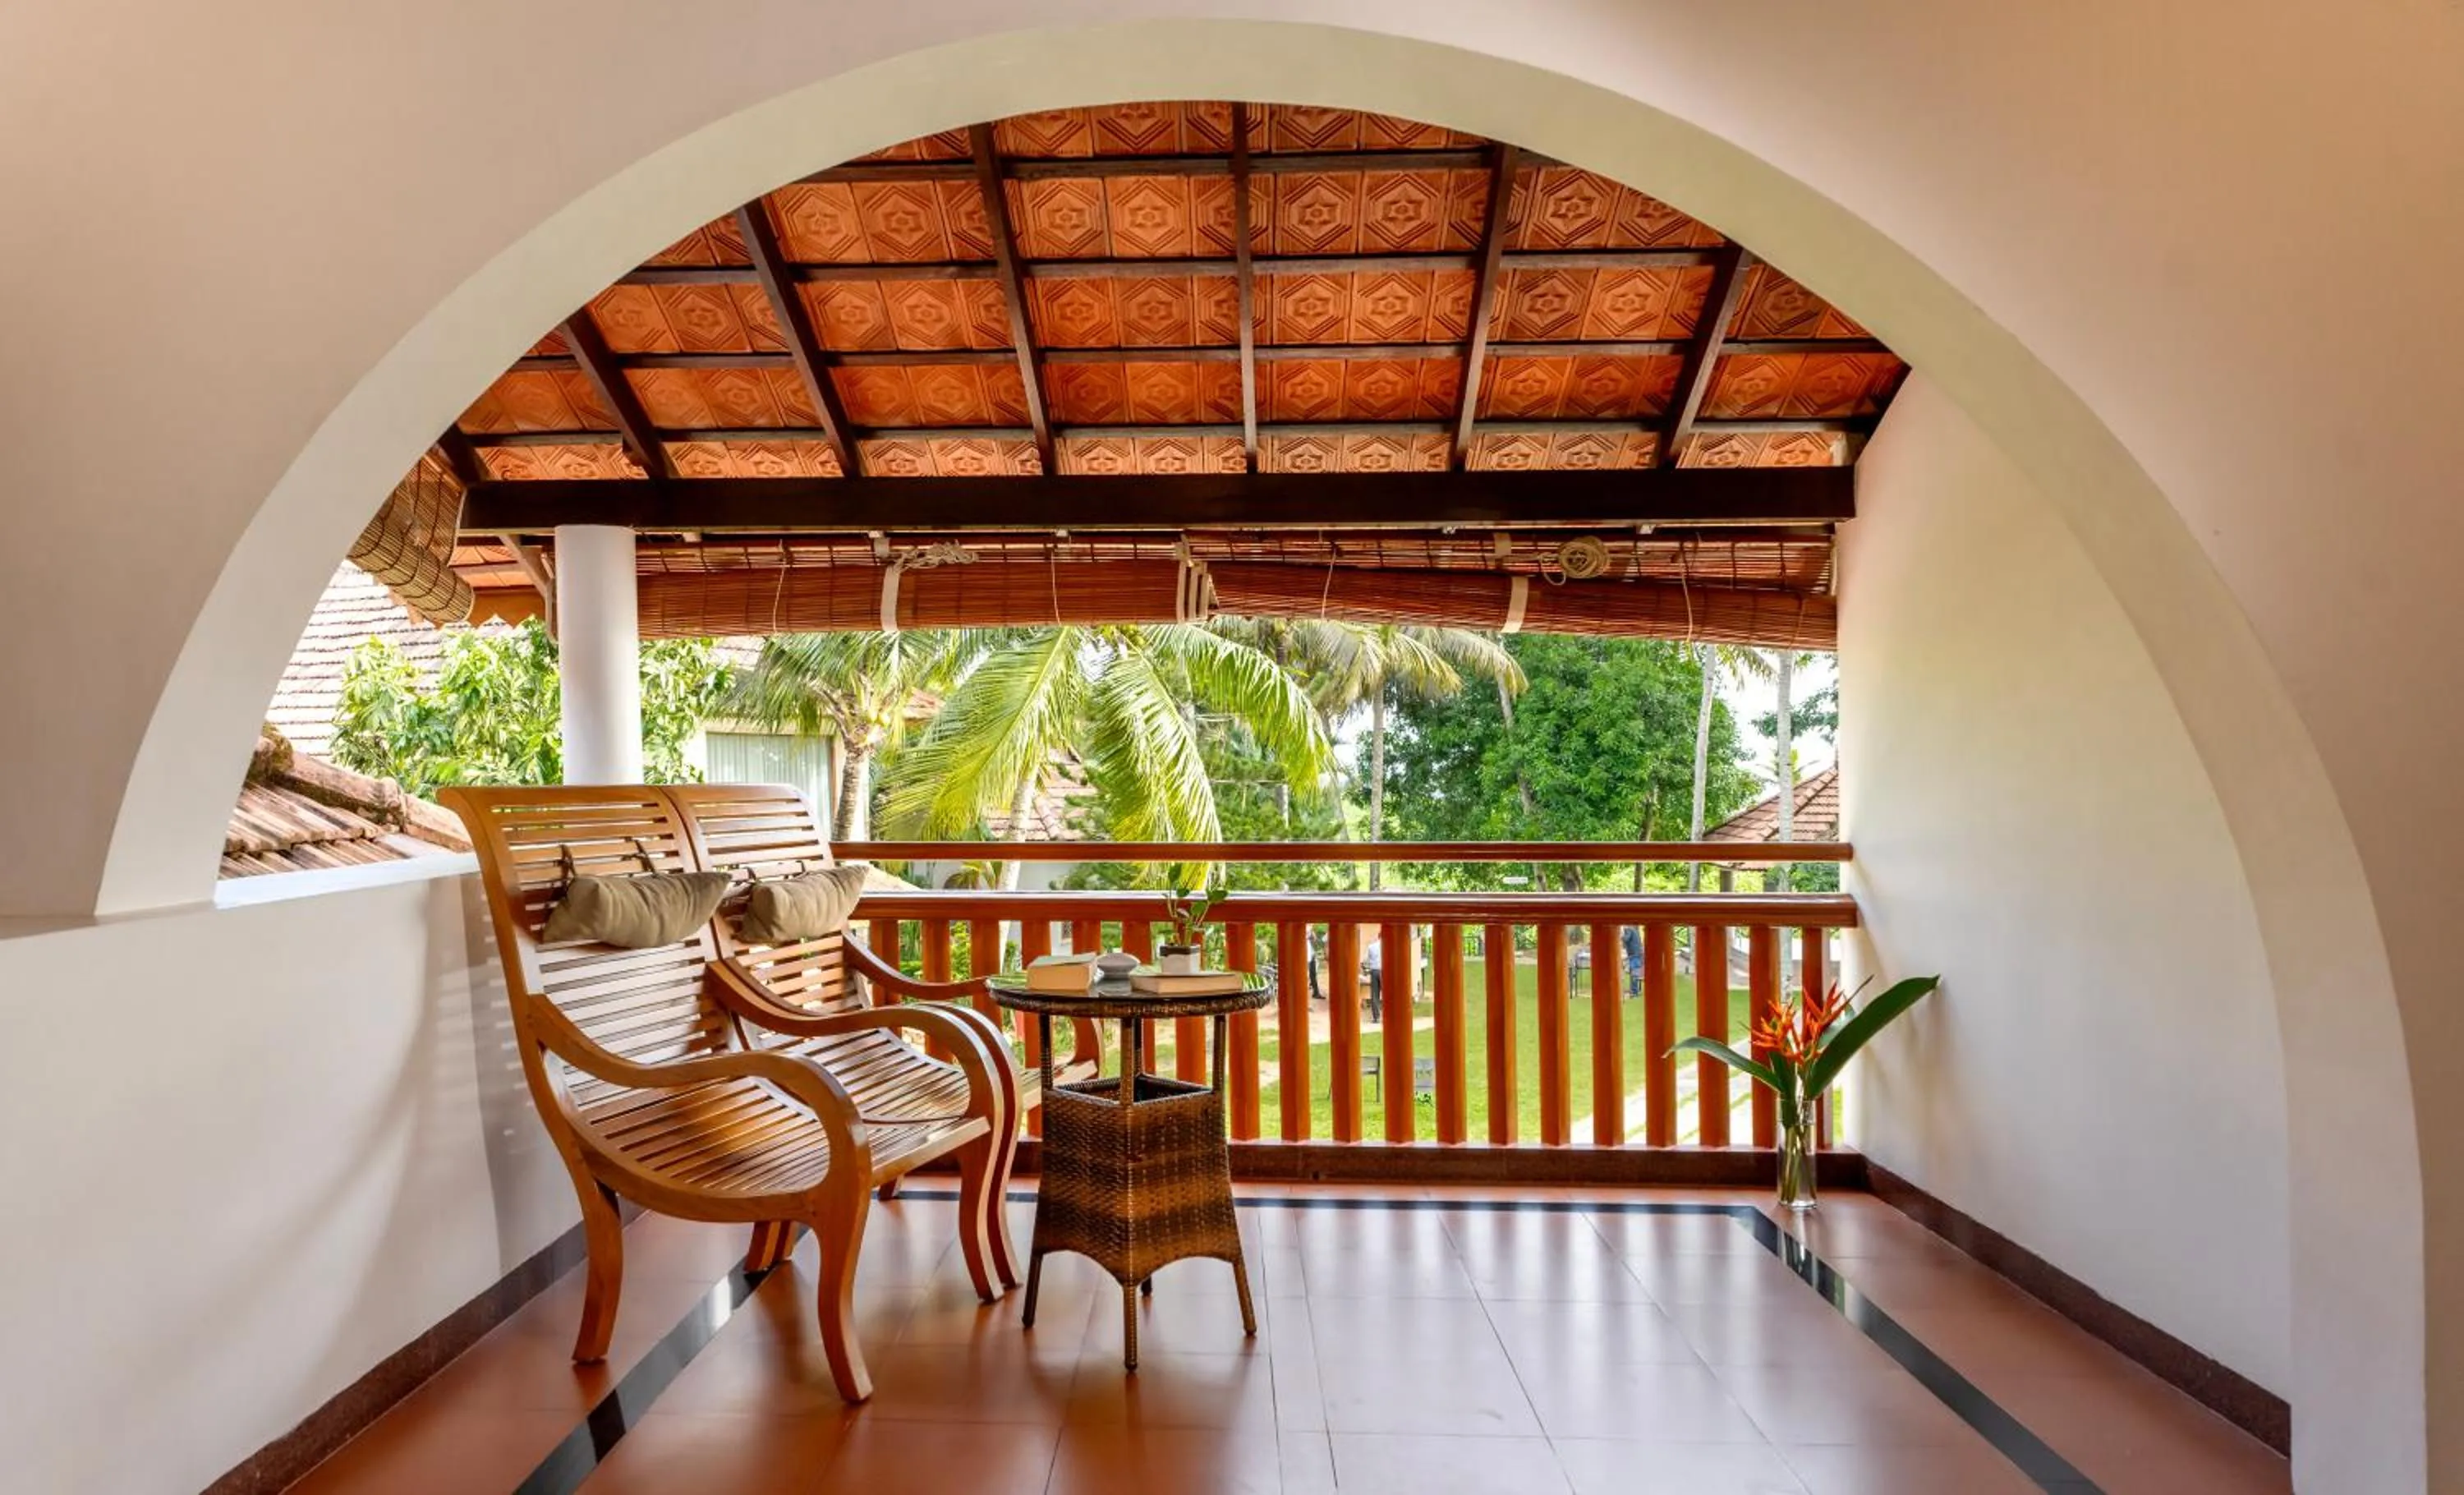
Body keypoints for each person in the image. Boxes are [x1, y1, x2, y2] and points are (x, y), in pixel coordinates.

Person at [1622, 924, 1644, 996]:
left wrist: (1618, 936)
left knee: (1634, 973)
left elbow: (1626, 939)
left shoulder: (1628, 929)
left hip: (1635, 955)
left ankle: (1634, 992)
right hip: (1636, 954)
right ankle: (1634, 990)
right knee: (1634, 973)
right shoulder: (1634, 930)